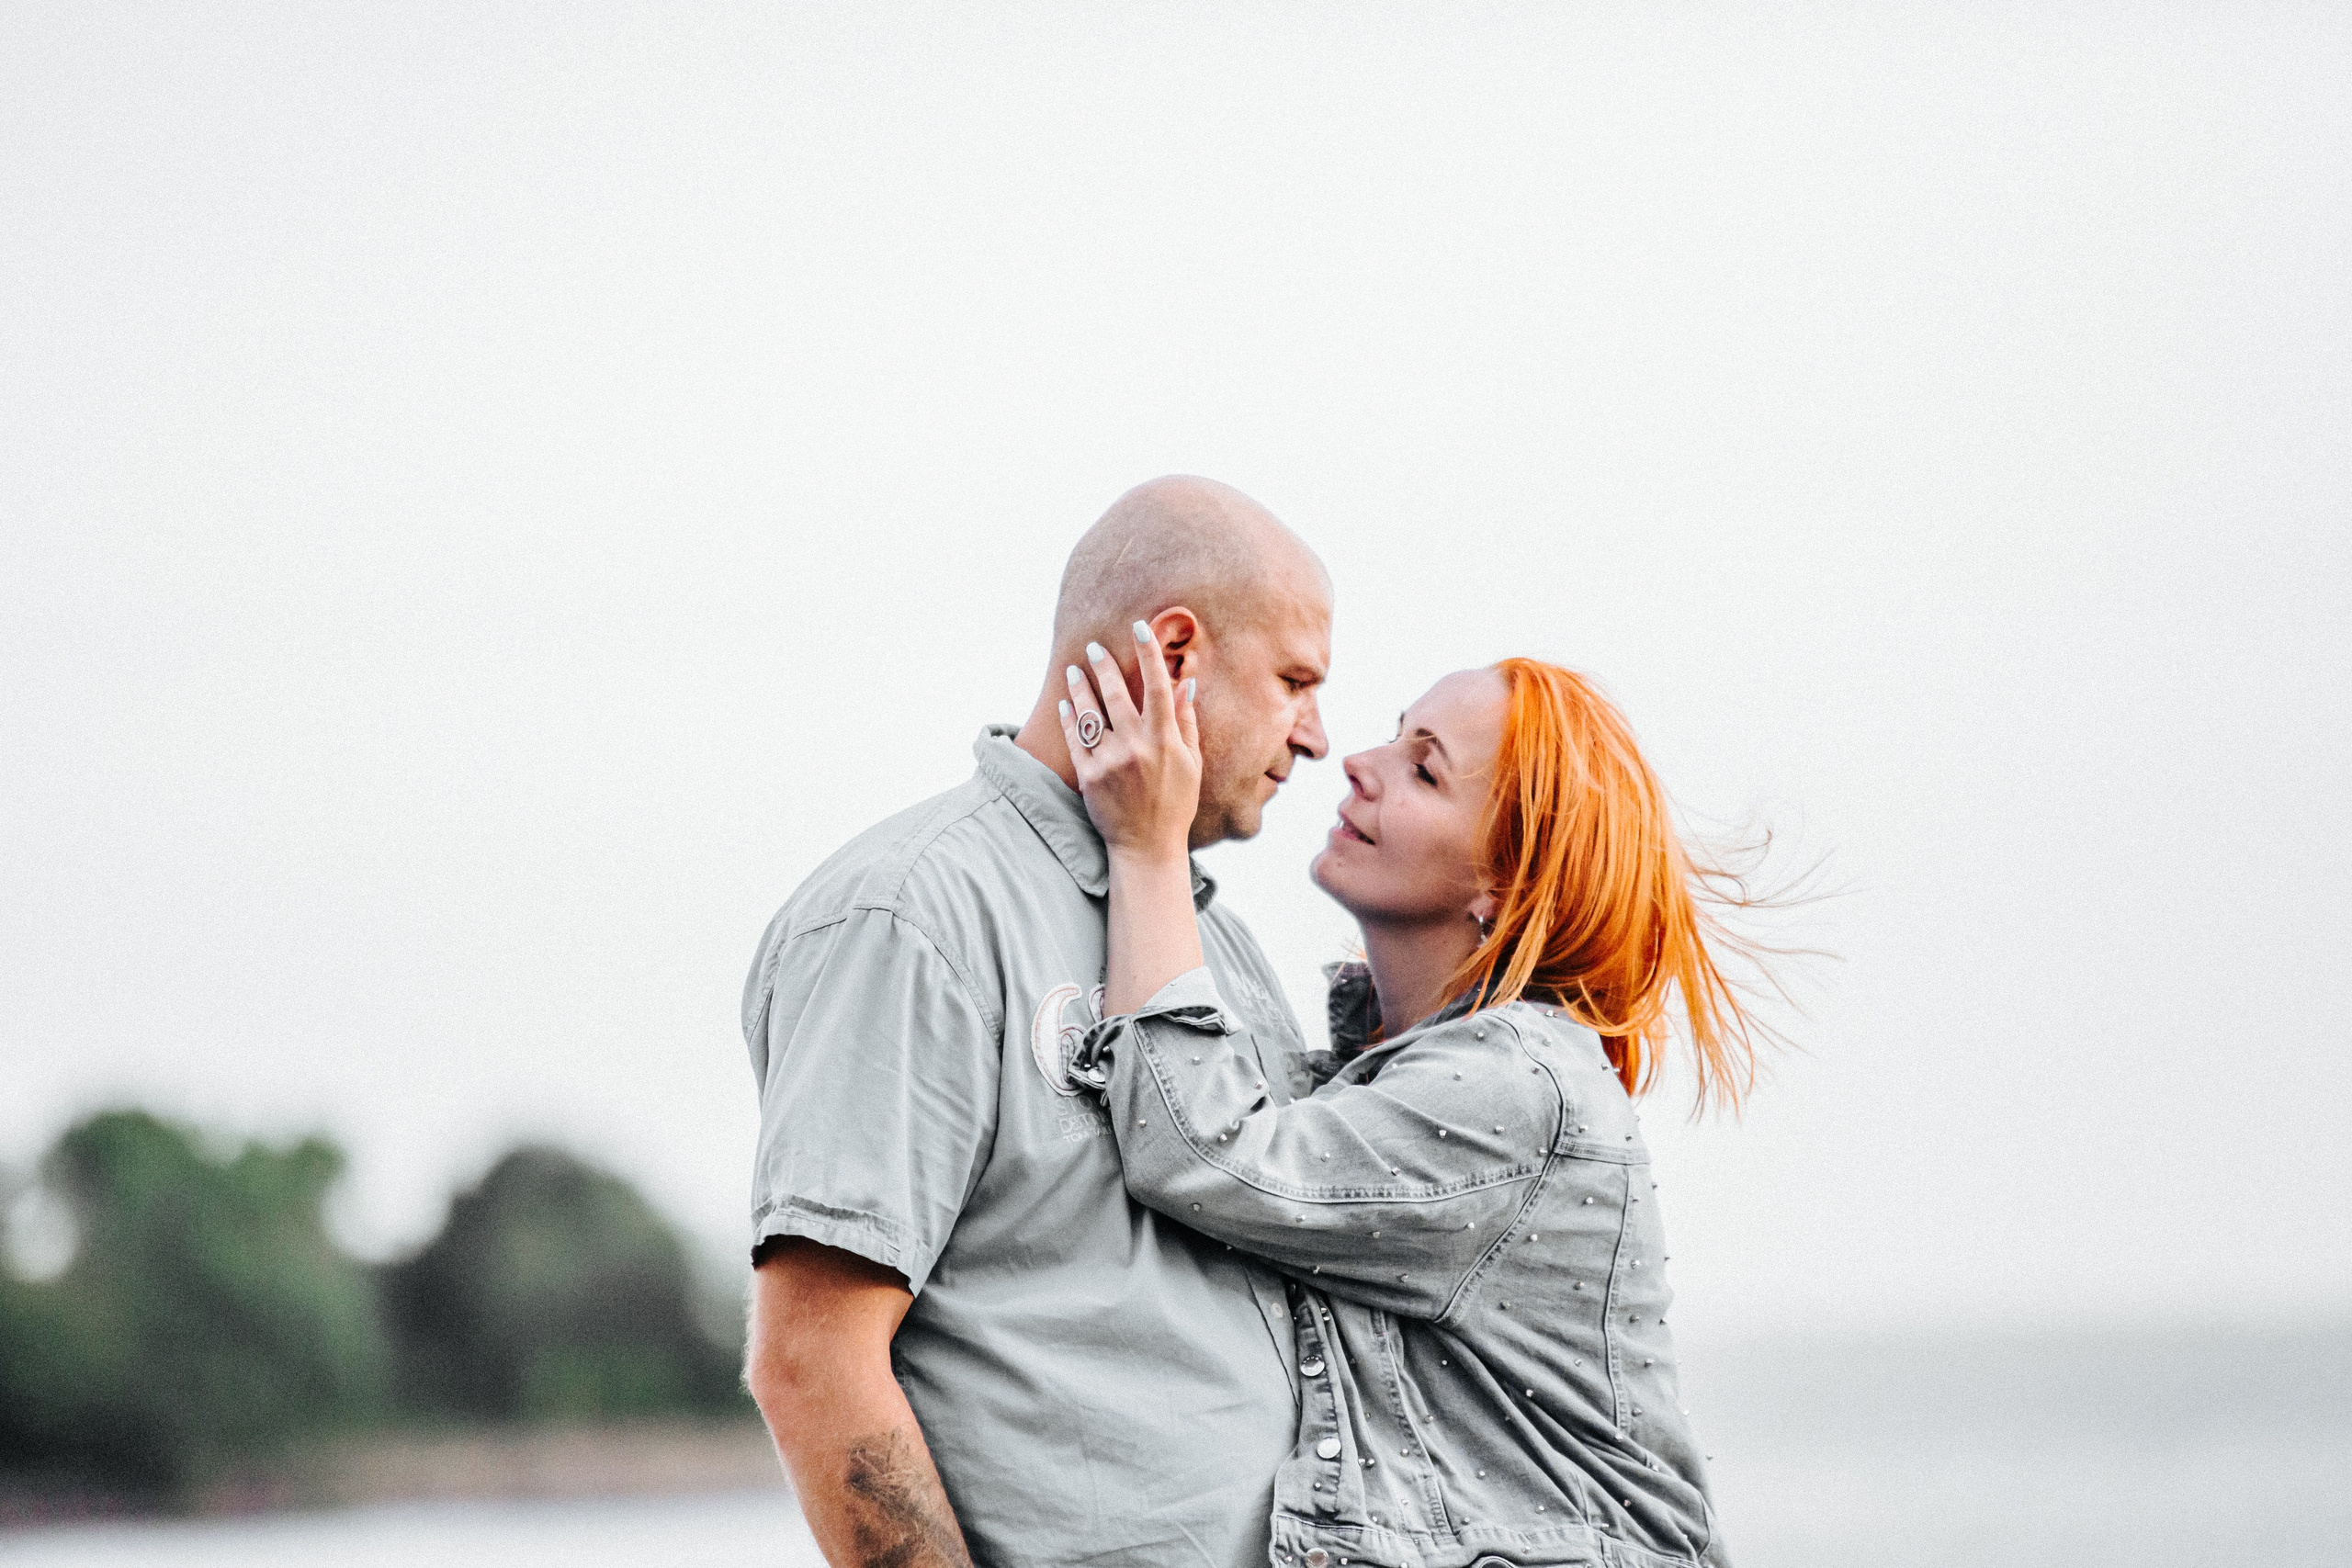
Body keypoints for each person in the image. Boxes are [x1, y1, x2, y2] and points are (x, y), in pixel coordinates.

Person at [1057, 641, 1767, 1568]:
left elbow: (1207, 1154)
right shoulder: (1404, 1073)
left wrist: (1146, 849)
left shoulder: (1513, 1085)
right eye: (1395, 738)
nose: (1357, 761)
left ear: (1503, 884)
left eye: (1422, 770)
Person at [741, 477, 1334, 1568]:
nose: (1317, 737)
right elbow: (812, 1359)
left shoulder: (1216, 943)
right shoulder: (913, 913)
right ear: (1174, 653)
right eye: (1295, 680)